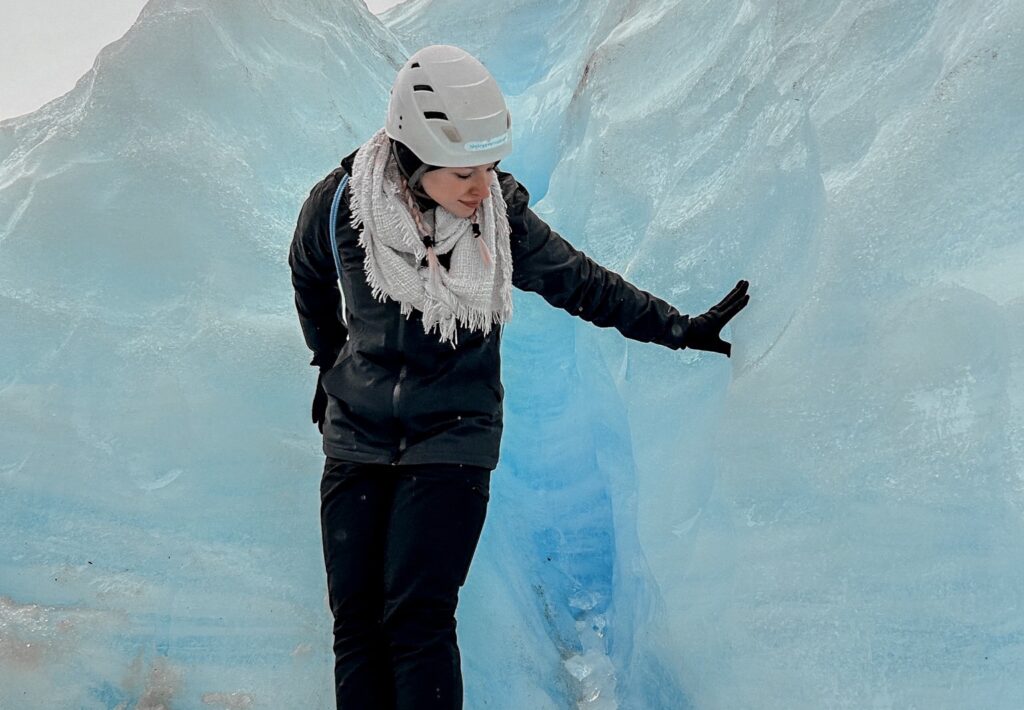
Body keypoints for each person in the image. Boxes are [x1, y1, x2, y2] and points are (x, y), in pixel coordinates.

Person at [289, 44, 750, 710]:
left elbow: (583, 284)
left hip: (452, 438)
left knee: (415, 619)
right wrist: (326, 356)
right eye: (462, 173)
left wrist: (679, 327)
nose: (481, 187)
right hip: (356, 437)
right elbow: (308, 274)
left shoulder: (499, 221)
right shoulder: (339, 209)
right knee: (357, 623)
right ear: (413, 160)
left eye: (489, 167)